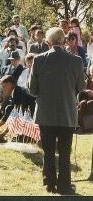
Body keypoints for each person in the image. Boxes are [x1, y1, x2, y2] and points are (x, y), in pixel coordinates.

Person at [28, 27, 86, 195]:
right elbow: (81, 87)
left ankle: (49, 182)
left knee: (48, 150)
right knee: (65, 151)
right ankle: (65, 185)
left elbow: (32, 89)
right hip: (67, 112)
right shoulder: (76, 61)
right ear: (64, 40)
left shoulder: (38, 60)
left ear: (48, 42)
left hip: (45, 113)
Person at [0, 51, 25, 119]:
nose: (13, 61)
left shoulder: (21, 69)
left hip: (12, 90)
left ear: (19, 60)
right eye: (12, 60)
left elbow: (17, 81)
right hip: (1, 87)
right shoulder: (5, 68)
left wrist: (3, 82)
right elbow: (0, 78)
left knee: (7, 89)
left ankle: (3, 111)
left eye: (15, 60)